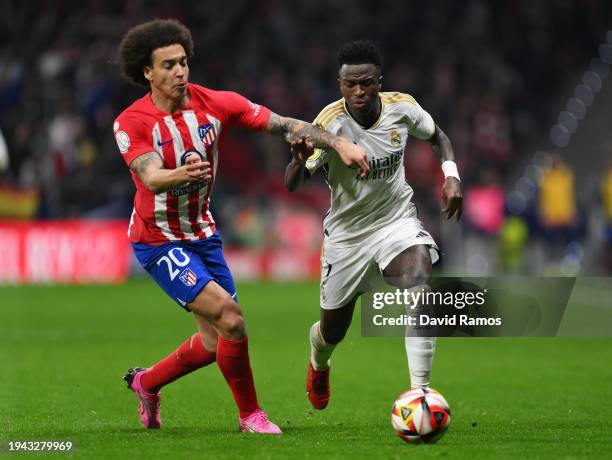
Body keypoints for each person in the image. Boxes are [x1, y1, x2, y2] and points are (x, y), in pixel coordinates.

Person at [113, 19, 369, 434]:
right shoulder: (132, 122)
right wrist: (183, 174)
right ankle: (251, 415)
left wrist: (339, 143)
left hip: (203, 234)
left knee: (216, 342)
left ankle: (146, 382)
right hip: (158, 240)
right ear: (147, 72)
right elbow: (152, 176)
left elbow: (285, 124)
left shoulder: (217, 103)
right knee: (231, 319)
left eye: (183, 62)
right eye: (168, 65)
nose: (180, 72)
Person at [284, 41, 462, 410]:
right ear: (340, 84)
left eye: (366, 82)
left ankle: (420, 394)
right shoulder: (329, 124)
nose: (359, 91)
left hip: (394, 221)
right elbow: (292, 184)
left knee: (420, 290)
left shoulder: (403, 108)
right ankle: (319, 361)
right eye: (350, 84)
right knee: (333, 331)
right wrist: (298, 163)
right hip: (347, 238)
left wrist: (451, 175)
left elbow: (439, 137)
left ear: (380, 81)